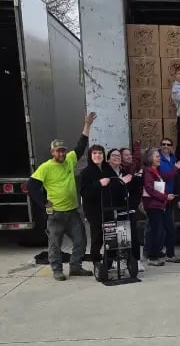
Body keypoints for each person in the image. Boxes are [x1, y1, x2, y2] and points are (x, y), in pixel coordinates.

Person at [27, 112, 96, 281]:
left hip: (72, 211)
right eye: (58, 151)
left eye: (63, 151)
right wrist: (44, 203)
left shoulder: (70, 160)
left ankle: (75, 267)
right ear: (52, 152)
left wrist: (87, 124)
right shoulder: (46, 167)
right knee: (55, 244)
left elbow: (81, 145)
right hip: (56, 213)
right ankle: (57, 270)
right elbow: (31, 186)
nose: (62, 154)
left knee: (80, 240)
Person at [141, 148, 180, 267]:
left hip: (162, 204)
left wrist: (175, 168)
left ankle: (169, 254)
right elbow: (150, 189)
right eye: (156, 156)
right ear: (150, 158)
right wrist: (165, 196)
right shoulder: (148, 172)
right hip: (153, 206)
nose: (159, 158)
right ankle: (152, 256)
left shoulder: (156, 170)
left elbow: (167, 177)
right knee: (155, 231)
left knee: (169, 228)